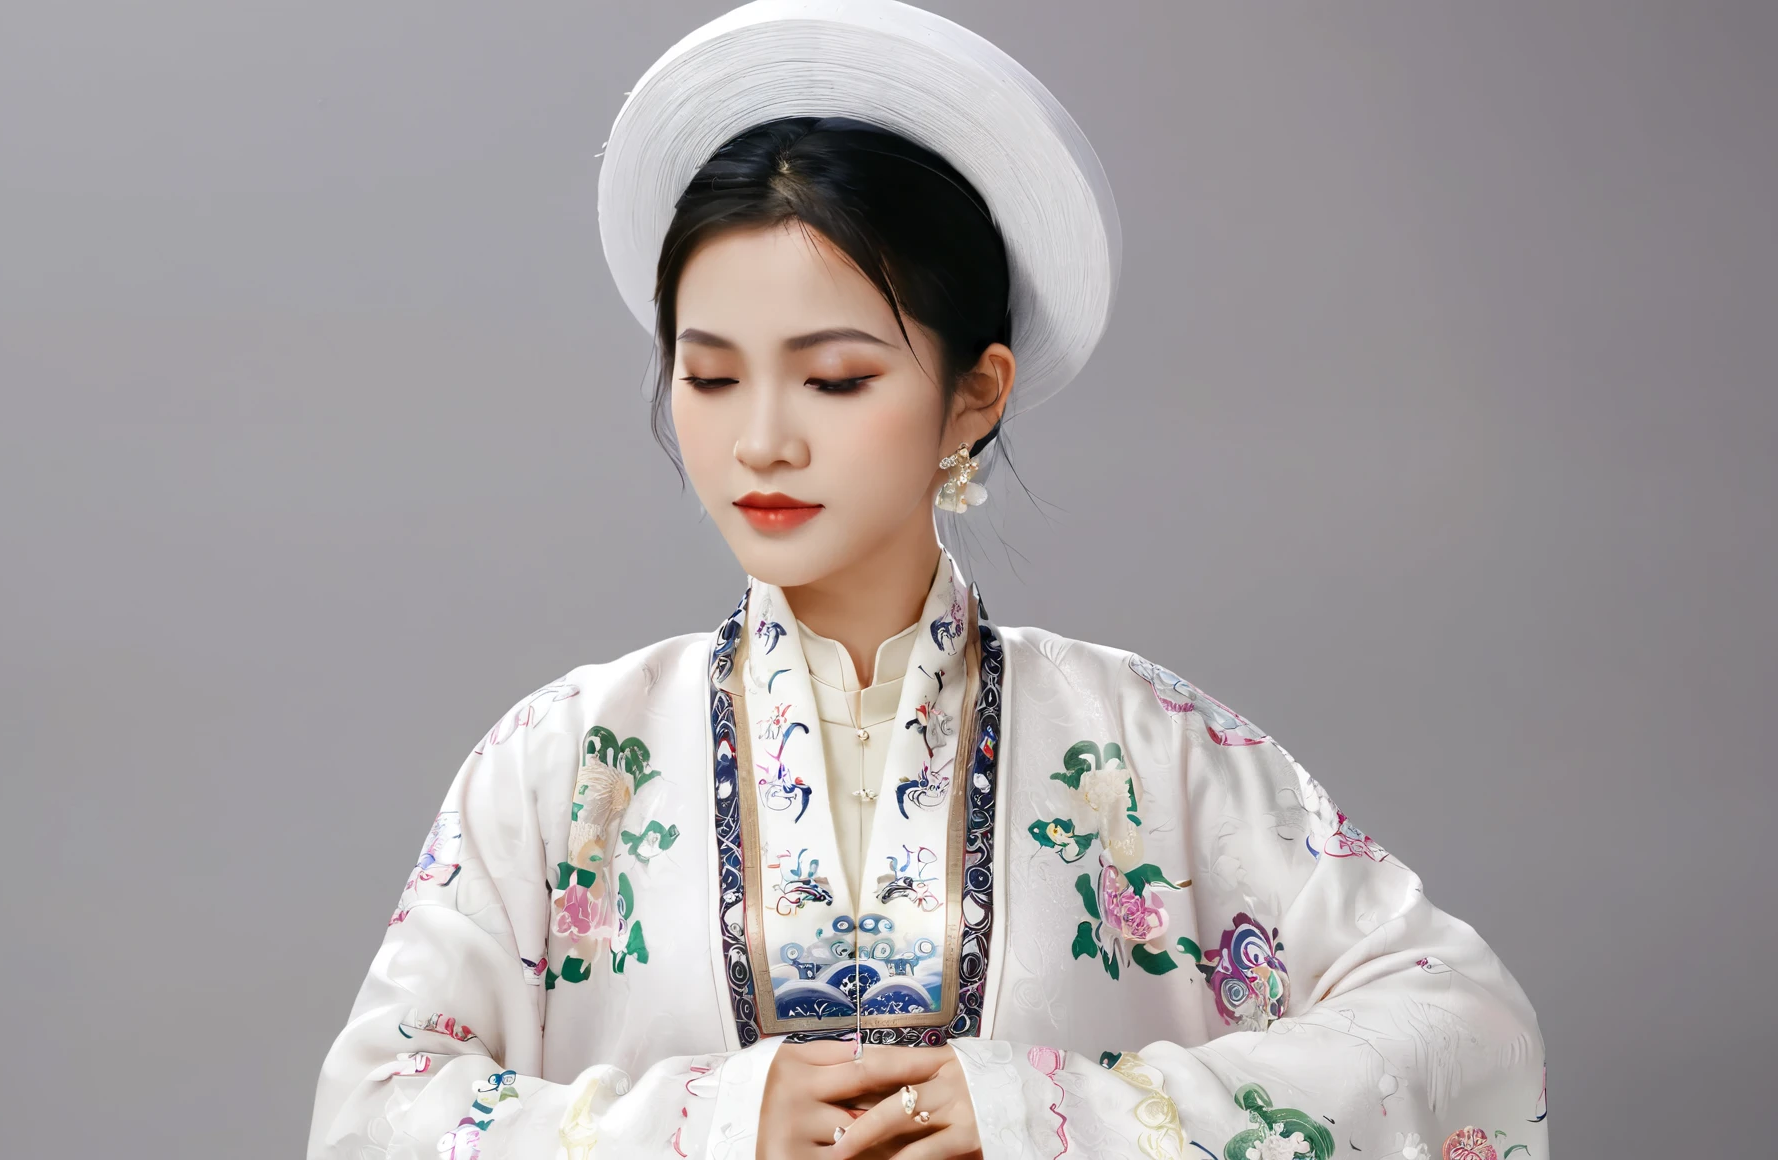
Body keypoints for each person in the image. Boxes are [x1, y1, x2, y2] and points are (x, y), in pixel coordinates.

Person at [308, 3, 1548, 1159]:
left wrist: (1043, 1111)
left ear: (976, 392)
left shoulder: (1138, 749)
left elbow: (1463, 1027)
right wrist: (716, 1119)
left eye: (837, 378)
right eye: (712, 374)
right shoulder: (568, 761)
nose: (762, 441)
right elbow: (372, 1110)